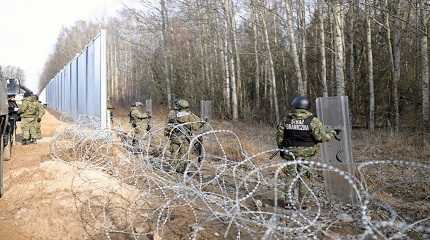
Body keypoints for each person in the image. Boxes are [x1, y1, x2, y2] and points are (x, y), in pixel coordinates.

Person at [276, 96, 338, 206]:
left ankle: (288, 202)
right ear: (307, 106)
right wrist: (333, 133)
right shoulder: (313, 120)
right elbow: (321, 138)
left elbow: (279, 137)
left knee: (291, 175)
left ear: (294, 106)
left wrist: (281, 149)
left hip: (290, 152)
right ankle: (303, 202)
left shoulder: (286, 119)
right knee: (304, 176)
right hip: (307, 153)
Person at [164, 99, 205, 173]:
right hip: (184, 138)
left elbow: (169, 123)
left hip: (174, 137)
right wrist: (202, 123)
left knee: (174, 153)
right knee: (183, 154)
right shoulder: (189, 115)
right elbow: (195, 127)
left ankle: (172, 168)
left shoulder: (172, 113)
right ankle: (181, 170)